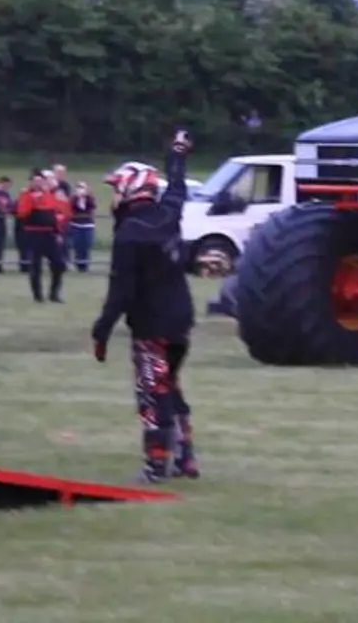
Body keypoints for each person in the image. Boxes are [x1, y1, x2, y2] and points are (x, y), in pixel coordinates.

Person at [91, 128, 200, 483]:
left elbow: (120, 291)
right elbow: (179, 185)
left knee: (153, 393)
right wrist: (178, 151)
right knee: (170, 385)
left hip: (152, 327)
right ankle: (186, 456)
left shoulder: (129, 233)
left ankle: (157, 465)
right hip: (181, 320)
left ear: (130, 188)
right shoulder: (169, 214)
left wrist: (102, 330)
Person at [15, 170, 69, 302]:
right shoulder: (26, 195)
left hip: (49, 233)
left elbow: (59, 212)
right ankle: (38, 296)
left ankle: (54, 294)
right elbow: (21, 213)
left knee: (59, 264)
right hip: (33, 233)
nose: (38, 183)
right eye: (35, 181)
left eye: (41, 181)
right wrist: (33, 200)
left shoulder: (49, 195)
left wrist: (58, 231)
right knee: (36, 266)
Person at [68, 182, 97, 272]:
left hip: (87, 225)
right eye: (79, 188)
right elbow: (70, 209)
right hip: (76, 225)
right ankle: (79, 264)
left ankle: (85, 264)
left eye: (83, 188)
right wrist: (77, 198)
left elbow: (92, 209)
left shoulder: (89, 199)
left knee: (86, 244)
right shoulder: (73, 199)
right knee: (78, 245)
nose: (81, 190)